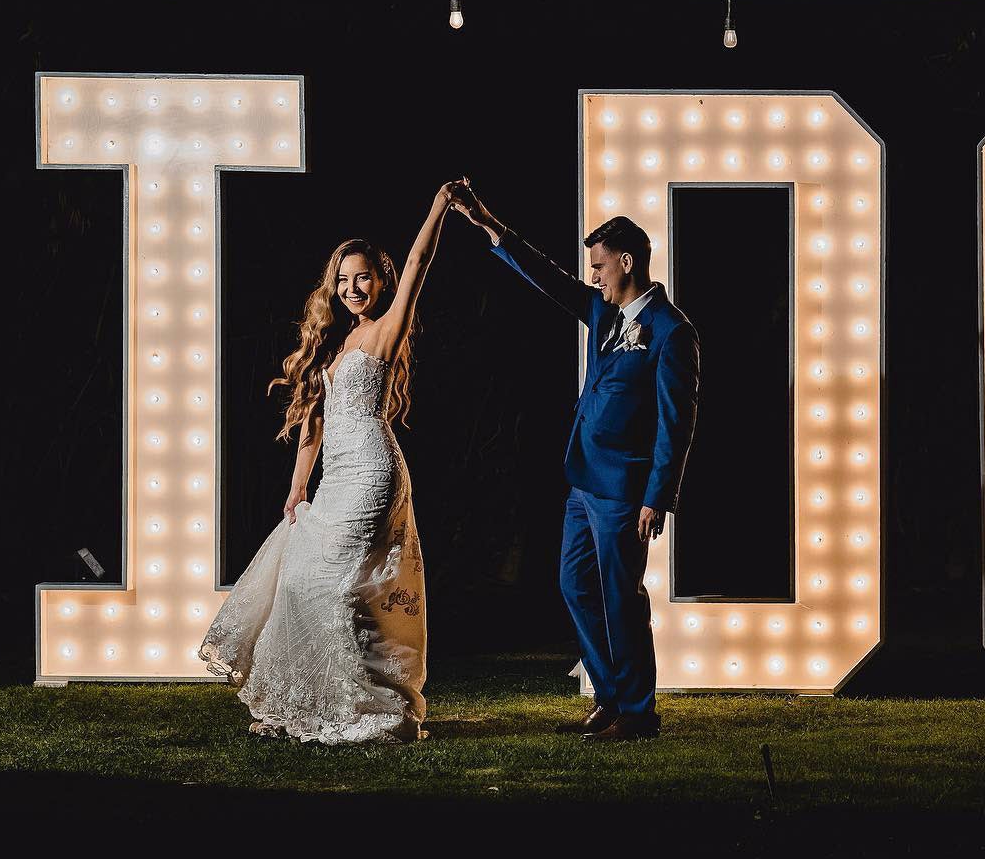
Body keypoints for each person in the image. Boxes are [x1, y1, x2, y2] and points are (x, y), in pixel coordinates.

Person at [198, 182, 460, 743]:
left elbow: (418, 260)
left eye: (362, 276)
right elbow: (313, 421)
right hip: (333, 477)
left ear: (382, 280)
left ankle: (365, 704)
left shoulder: (386, 332)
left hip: (372, 472)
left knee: (337, 588)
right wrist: (296, 486)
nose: (351, 288)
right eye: (342, 280)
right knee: (298, 579)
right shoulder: (339, 345)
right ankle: (306, 702)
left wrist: (439, 204)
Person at [452, 185, 699, 741]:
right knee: (574, 586)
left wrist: (657, 496)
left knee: (621, 598)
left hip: (625, 491)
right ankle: (610, 696)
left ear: (627, 262)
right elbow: (549, 279)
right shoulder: (601, 312)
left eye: (600, 266)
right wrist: (489, 223)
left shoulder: (671, 332)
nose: (593, 276)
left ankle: (638, 713)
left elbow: (674, 422)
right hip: (581, 481)